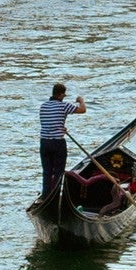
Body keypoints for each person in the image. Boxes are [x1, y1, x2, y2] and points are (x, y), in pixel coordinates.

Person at [38, 80, 85, 209]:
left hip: (44, 142)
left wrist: (60, 127)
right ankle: (56, 197)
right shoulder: (63, 106)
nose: (64, 98)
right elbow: (82, 110)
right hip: (57, 143)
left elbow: (48, 123)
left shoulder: (43, 106)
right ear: (60, 95)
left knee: (47, 172)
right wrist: (81, 100)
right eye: (64, 96)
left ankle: (46, 197)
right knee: (59, 172)